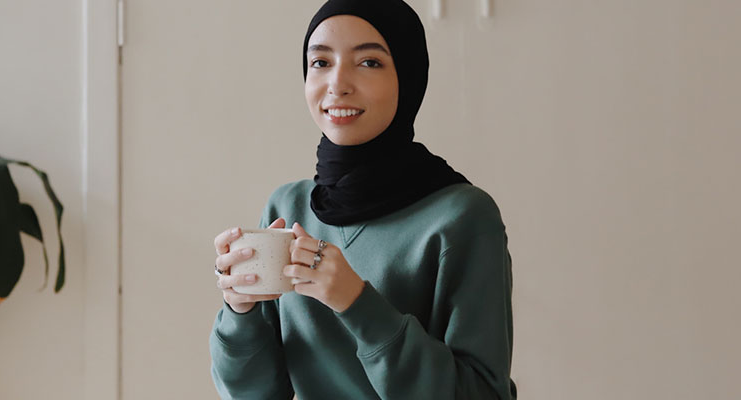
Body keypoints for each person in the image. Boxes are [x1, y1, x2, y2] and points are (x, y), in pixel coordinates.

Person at [209, 0, 516, 398]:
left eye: (369, 62)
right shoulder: (287, 208)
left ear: (408, 76)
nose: (338, 83)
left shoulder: (463, 217)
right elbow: (256, 394)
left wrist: (356, 302)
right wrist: (240, 309)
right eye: (320, 62)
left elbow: (481, 393)